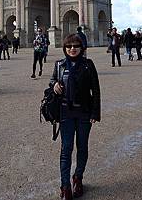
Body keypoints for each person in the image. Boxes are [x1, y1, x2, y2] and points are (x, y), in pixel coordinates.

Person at [51, 34, 101, 200]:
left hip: (84, 113)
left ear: (81, 48)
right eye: (69, 46)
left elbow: (96, 89)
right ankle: (65, 187)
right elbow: (52, 81)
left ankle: (78, 177)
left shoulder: (88, 64)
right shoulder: (59, 65)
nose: (72, 49)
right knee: (66, 149)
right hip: (66, 113)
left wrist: (95, 112)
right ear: (65, 48)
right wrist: (54, 85)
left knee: (82, 147)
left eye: (76, 46)